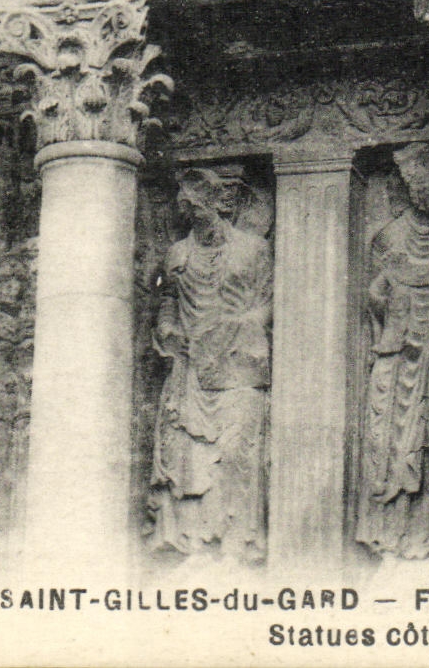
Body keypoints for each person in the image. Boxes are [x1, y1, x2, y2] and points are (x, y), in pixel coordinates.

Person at [148, 169, 273, 564]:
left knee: (237, 451)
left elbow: (268, 302)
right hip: (190, 367)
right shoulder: (179, 254)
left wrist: (243, 326)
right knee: (187, 455)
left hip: (238, 364)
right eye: (189, 208)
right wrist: (168, 329)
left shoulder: (253, 249)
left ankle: (238, 540)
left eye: (203, 206)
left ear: (222, 205)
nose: (196, 215)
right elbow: (167, 300)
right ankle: (195, 545)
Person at [357, 143, 429, 560]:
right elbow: (374, 300)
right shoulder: (388, 236)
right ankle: (388, 538)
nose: (423, 193)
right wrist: (389, 293)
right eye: (415, 185)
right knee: (386, 444)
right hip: (395, 356)